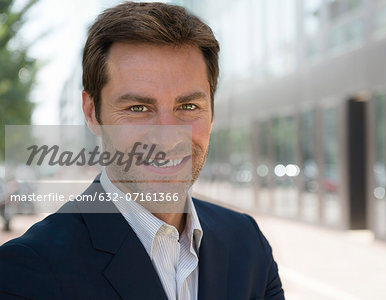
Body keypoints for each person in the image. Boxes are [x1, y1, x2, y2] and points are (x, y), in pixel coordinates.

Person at [0, 2, 284, 299]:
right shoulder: (28, 272)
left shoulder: (248, 243)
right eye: (138, 108)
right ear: (92, 113)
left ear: (211, 113)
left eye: (188, 106)